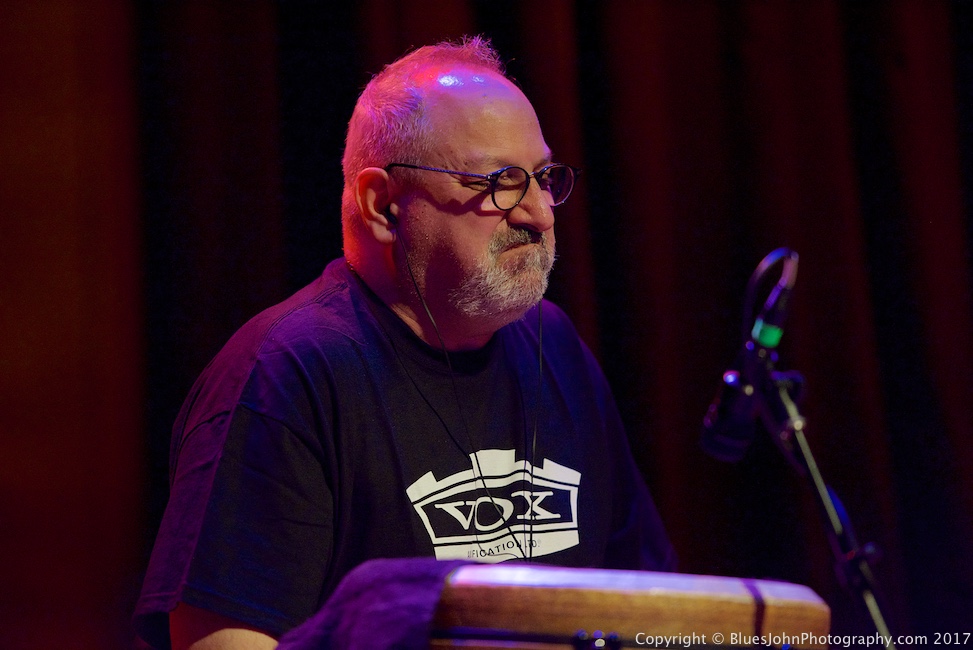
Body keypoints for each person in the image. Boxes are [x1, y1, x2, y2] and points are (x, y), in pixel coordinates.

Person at [135, 36, 675, 650]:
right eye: (501, 181)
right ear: (383, 206)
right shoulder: (284, 374)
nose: (540, 215)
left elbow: (653, 611)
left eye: (543, 178)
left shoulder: (557, 347)